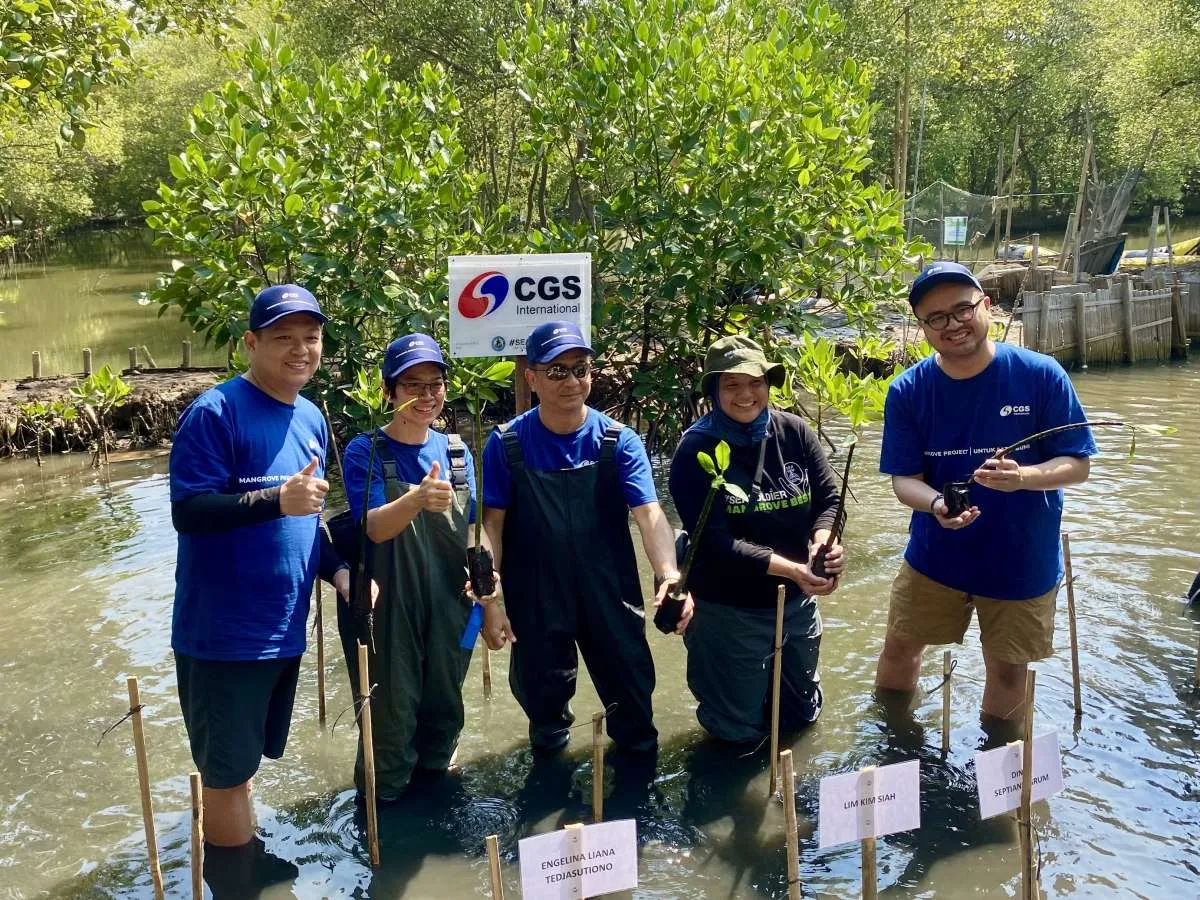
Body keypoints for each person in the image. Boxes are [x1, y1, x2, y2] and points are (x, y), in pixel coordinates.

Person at [876, 261, 1096, 732]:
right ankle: (894, 740)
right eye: (936, 318)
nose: (952, 324)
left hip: (1021, 558)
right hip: (936, 555)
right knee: (900, 645)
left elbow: (1077, 465)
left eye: (962, 309)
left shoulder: (1041, 375)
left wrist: (1026, 476)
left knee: (1009, 668)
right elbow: (904, 481)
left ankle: (999, 770)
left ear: (987, 307)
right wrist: (936, 504)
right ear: (922, 328)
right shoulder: (908, 391)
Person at [170, 284, 349, 851]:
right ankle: (237, 878)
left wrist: (340, 572)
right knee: (225, 776)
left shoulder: (312, 417)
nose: (300, 350)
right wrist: (275, 500)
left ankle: (240, 854)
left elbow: (307, 519)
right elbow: (189, 512)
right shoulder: (215, 412)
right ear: (250, 343)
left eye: (311, 338)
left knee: (245, 767)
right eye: (282, 339)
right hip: (223, 637)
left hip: (283, 633)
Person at [481, 321, 691, 755]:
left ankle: (638, 804)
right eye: (556, 371)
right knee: (544, 712)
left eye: (580, 368)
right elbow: (491, 525)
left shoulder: (619, 441)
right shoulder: (505, 445)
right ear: (531, 378)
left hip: (609, 593)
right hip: (536, 598)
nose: (572, 381)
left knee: (633, 706)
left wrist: (669, 575)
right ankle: (549, 800)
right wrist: (490, 599)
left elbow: (650, 514)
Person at [339, 333, 499, 800]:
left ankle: (437, 805)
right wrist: (415, 498)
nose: (426, 396)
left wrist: (491, 595)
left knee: (446, 712)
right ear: (389, 392)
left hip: (453, 610)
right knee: (391, 720)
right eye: (412, 385)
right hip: (388, 613)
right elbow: (370, 527)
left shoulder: (455, 451)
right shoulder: (365, 451)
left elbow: (474, 528)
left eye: (435, 384)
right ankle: (384, 813)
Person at [669, 335, 843, 745]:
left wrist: (824, 544)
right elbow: (716, 543)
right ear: (713, 391)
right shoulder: (696, 449)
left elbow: (830, 500)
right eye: (731, 385)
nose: (746, 395)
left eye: (756, 382)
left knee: (802, 717)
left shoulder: (794, 431)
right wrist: (796, 570)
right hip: (730, 610)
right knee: (737, 731)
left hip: (797, 604)